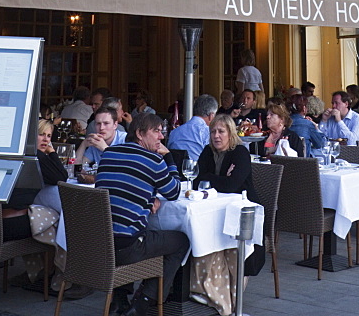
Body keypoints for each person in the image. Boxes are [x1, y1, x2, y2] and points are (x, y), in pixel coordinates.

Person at [96, 113, 188, 316]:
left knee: (133, 226)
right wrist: (168, 156)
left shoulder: (109, 154)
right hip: (128, 248)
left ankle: (119, 300)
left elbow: (119, 189)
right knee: (181, 240)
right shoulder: (153, 160)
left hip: (100, 245)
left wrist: (148, 197)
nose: (161, 137)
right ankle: (143, 303)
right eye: (156, 131)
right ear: (139, 133)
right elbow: (173, 192)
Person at [193, 115, 263, 312]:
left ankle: (233, 301)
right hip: (215, 210)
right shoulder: (208, 151)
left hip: (245, 213)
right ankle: (212, 293)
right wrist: (217, 178)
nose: (216, 136)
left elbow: (232, 185)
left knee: (238, 251)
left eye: (221, 131)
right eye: (213, 131)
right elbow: (197, 179)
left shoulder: (239, 152)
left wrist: (209, 178)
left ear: (230, 134)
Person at [168, 94, 218, 160]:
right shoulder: (208, 132)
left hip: (175, 169)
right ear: (211, 116)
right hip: (198, 169)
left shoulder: (174, 132)